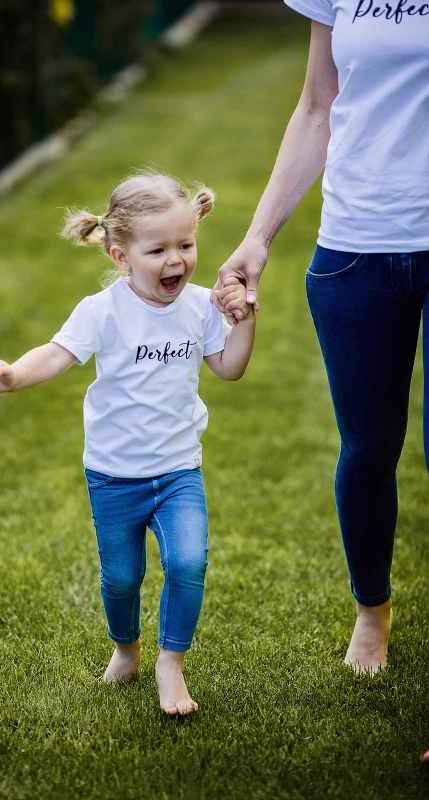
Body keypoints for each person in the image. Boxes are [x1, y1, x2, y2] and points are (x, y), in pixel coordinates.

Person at [0, 172, 255, 715]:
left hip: (178, 471)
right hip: (113, 475)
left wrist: (243, 320)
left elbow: (230, 367)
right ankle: (126, 647)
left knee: (188, 563)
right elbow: (56, 354)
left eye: (185, 245)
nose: (176, 260)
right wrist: (13, 375)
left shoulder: (200, 307)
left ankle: (171, 663)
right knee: (122, 578)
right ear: (121, 256)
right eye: (158, 250)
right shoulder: (102, 311)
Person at [214, 7, 428, 674]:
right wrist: (257, 237)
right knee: (367, 448)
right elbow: (316, 105)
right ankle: (371, 609)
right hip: (355, 245)